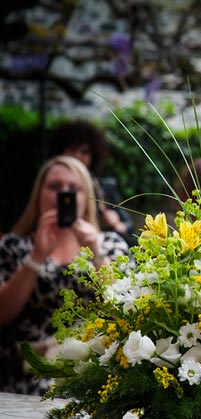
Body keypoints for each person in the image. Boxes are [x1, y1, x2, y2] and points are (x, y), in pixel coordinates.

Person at [0, 155, 129, 395]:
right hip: (26, 375)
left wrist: (97, 253)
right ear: (39, 194)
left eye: (74, 188)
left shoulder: (110, 245)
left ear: (86, 198)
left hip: (94, 375)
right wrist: (36, 257)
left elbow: (126, 308)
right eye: (54, 187)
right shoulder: (13, 246)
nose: (64, 194)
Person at [47, 120, 135, 243]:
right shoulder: (48, 185)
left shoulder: (104, 187)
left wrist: (116, 223)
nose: (77, 156)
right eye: (72, 150)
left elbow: (129, 225)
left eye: (84, 152)